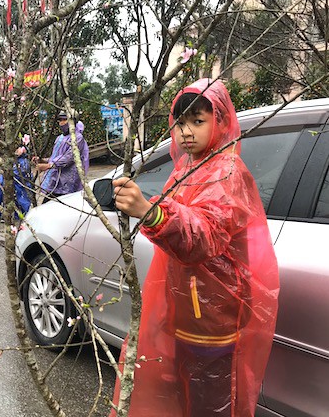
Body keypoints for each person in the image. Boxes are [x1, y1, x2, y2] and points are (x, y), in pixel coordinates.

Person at [109, 78, 279, 416]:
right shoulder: (186, 170)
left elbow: (204, 236)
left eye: (197, 121)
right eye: (181, 122)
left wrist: (149, 210)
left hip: (215, 322)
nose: (187, 131)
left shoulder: (227, 173)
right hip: (187, 315)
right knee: (185, 399)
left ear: (221, 121)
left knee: (209, 404)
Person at [34, 110, 89, 203]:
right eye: (60, 120)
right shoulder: (60, 138)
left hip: (67, 183)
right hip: (55, 180)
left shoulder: (77, 138)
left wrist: (49, 166)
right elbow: (56, 156)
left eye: (64, 120)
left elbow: (69, 157)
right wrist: (43, 160)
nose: (61, 123)